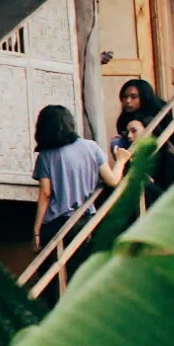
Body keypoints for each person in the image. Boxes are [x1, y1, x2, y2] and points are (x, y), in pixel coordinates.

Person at [31, 103, 108, 248]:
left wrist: (36, 231)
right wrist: (122, 160)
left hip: (58, 224)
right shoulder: (91, 147)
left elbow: (45, 194)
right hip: (87, 219)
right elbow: (112, 179)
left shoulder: (45, 156)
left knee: (54, 266)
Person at [106, 76, 174, 196]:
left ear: (144, 97)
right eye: (125, 97)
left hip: (163, 165)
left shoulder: (159, 113)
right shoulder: (125, 119)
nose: (128, 101)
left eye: (133, 97)